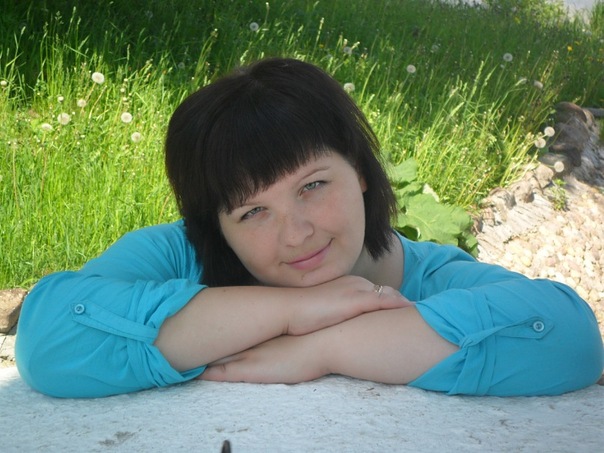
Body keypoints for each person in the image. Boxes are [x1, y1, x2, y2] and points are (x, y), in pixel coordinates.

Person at [15, 57, 603, 399]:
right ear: (213, 224)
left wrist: (321, 347)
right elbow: (49, 337)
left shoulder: (431, 274)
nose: (295, 234)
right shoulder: (179, 253)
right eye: (252, 212)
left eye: (313, 186)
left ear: (362, 171)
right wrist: (294, 311)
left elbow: (568, 335)